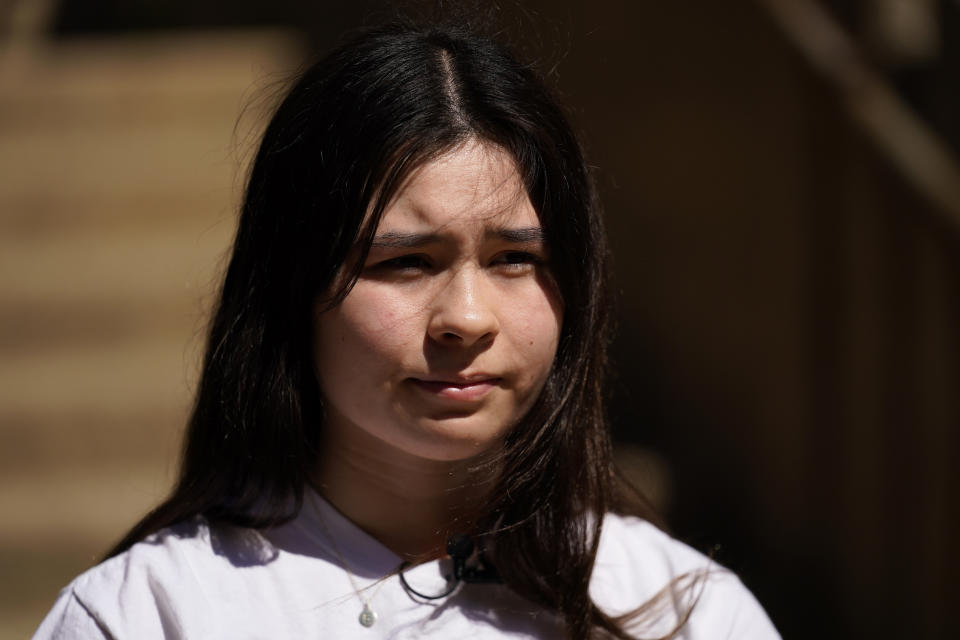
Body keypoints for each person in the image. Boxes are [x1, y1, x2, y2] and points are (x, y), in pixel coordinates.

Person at [34, 21, 780, 640]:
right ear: (293, 287)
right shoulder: (150, 614)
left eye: (516, 259)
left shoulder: (685, 612)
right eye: (406, 262)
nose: (466, 318)